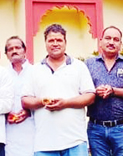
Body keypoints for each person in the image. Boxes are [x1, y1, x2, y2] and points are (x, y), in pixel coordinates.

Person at [22, 23, 96, 156]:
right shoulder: (34, 70)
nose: (55, 43)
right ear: (45, 43)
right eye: (51, 40)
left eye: (59, 40)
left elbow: (90, 96)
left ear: (65, 43)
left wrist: (65, 103)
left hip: (75, 140)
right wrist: (42, 101)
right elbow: (25, 100)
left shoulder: (79, 67)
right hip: (44, 143)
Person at [86, 26, 123, 156]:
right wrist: (95, 91)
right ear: (100, 41)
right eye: (108, 38)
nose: (111, 42)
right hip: (96, 127)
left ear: (121, 44)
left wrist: (113, 91)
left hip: (122, 127)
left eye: (116, 39)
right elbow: (81, 90)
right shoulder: (89, 63)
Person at [5, 36, 34, 156]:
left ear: (24, 50)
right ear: (6, 54)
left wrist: (29, 111)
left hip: (32, 128)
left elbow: (43, 98)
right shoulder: (2, 74)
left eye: (17, 47)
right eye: (10, 49)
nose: (14, 51)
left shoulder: (36, 71)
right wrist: (7, 114)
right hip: (9, 130)